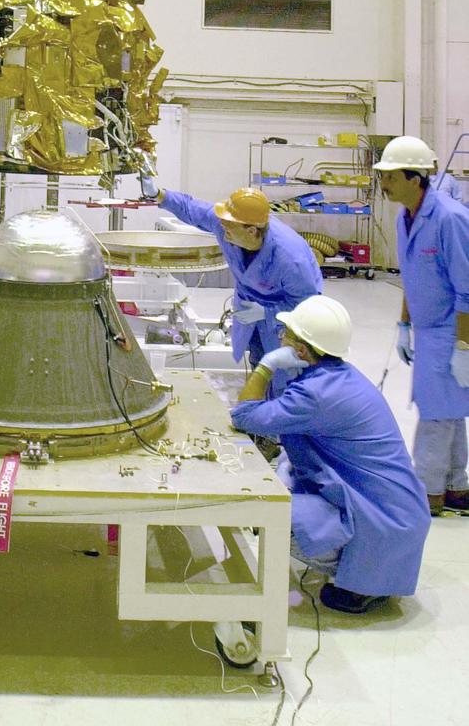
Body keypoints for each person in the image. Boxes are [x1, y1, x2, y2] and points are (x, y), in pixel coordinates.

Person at [231, 294, 430, 614]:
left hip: (383, 522)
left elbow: (243, 415)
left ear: (301, 350)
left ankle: (358, 581)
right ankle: (369, 573)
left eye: (288, 335)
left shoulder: (314, 395)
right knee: (285, 470)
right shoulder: (340, 376)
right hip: (398, 512)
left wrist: (266, 366)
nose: (281, 337)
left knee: (276, 517)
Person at [142, 177, 321, 391]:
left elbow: (309, 305)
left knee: (284, 373)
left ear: (252, 231)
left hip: (284, 318)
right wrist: (159, 195)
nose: (222, 228)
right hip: (251, 310)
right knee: (259, 364)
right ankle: (259, 404)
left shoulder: (291, 258)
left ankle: (280, 412)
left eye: (229, 226)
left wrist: (268, 313)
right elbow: (192, 209)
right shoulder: (230, 225)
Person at [374, 135, 469, 515]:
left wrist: (463, 348)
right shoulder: (405, 217)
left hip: (453, 329)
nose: (384, 184)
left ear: (416, 178)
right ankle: (456, 486)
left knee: (436, 412)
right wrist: (403, 324)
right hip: (428, 330)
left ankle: (427, 492)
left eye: (392, 176)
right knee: (449, 408)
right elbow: (411, 276)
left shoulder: (450, 219)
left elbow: (467, 290)